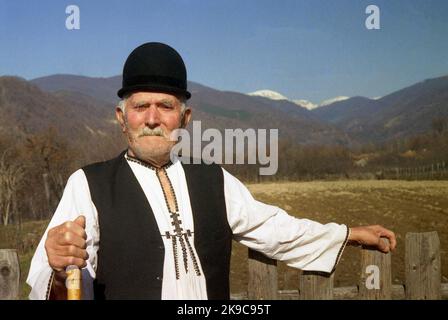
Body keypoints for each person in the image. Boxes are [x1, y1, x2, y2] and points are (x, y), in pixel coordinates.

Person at [27, 42, 396, 300]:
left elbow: (275, 228)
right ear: (121, 118)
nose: (153, 119)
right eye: (141, 106)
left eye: (165, 106)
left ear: (184, 118)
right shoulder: (88, 185)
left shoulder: (213, 178)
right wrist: (59, 270)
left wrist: (348, 234)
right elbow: (60, 282)